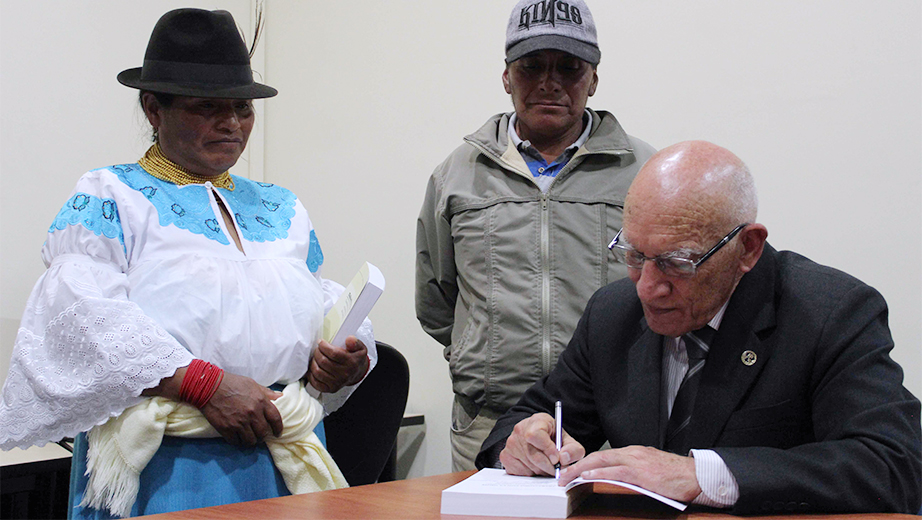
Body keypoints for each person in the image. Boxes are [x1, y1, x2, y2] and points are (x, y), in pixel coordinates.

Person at [0, 8, 376, 518]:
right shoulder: (111, 196)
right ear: (154, 109)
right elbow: (81, 318)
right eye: (207, 107)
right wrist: (204, 384)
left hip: (278, 441)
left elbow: (316, 301)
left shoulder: (280, 207)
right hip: (169, 458)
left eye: (243, 108)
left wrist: (345, 358)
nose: (232, 123)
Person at [476, 140, 922, 514]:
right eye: (634, 255)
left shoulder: (829, 312)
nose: (648, 288)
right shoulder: (613, 313)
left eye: (677, 263)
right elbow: (519, 424)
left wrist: (701, 475)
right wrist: (521, 446)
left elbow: (894, 464)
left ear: (747, 248)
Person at [415, 0, 655, 471]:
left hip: (608, 428)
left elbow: (664, 288)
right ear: (506, 76)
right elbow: (437, 297)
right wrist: (477, 352)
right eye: (531, 67)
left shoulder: (643, 171)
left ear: (594, 79)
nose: (550, 82)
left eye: (570, 67)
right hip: (486, 424)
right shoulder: (456, 175)